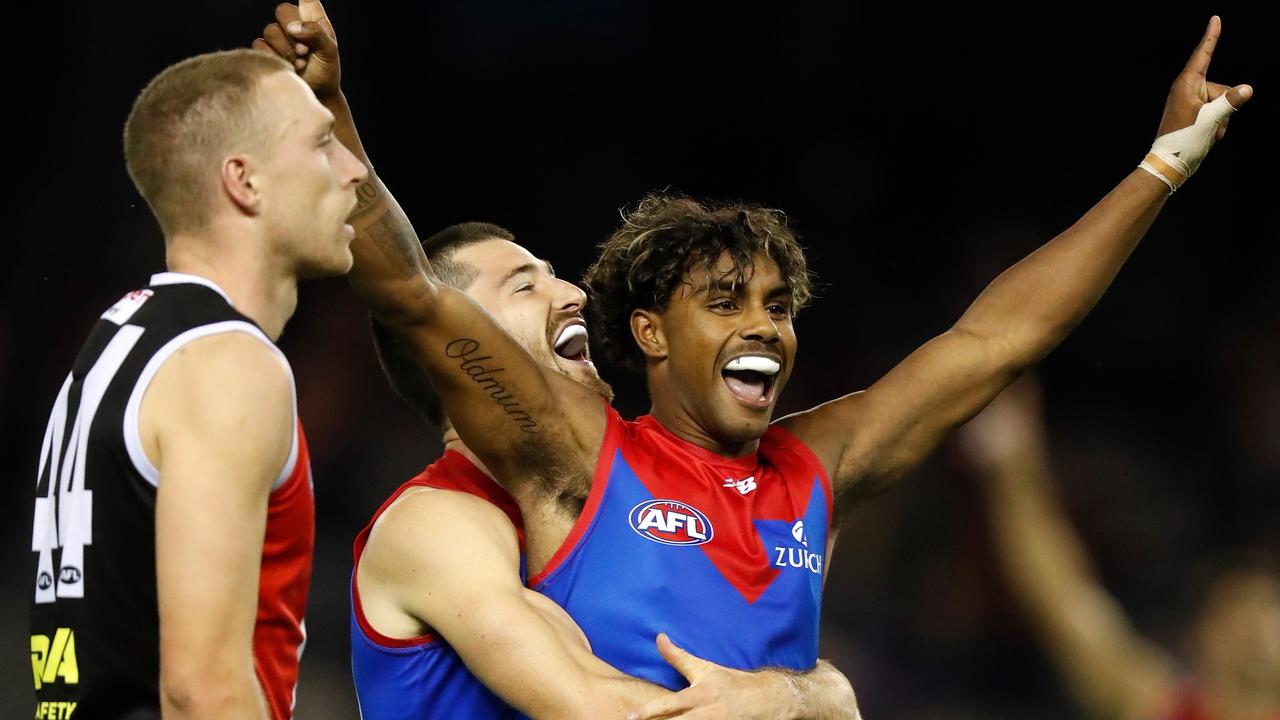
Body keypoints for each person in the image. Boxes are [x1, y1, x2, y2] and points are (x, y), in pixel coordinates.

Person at [282, 0, 1248, 705]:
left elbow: (999, 339)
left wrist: (1160, 169)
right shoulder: (578, 453)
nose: (765, 327)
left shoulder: (822, 462)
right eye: (725, 303)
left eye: (779, 306)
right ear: (650, 335)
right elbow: (408, 295)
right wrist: (803, 699)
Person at [27, 49, 368, 719]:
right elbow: (201, 692)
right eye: (323, 144)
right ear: (244, 181)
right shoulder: (228, 365)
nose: (353, 170)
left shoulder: (118, 344)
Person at [958, 378, 1280, 720]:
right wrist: (1014, 466)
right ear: (1198, 637)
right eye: (1235, 609)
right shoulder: (1159, 706)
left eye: (1268, 604)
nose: (1252, 627)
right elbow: (1064, 600)